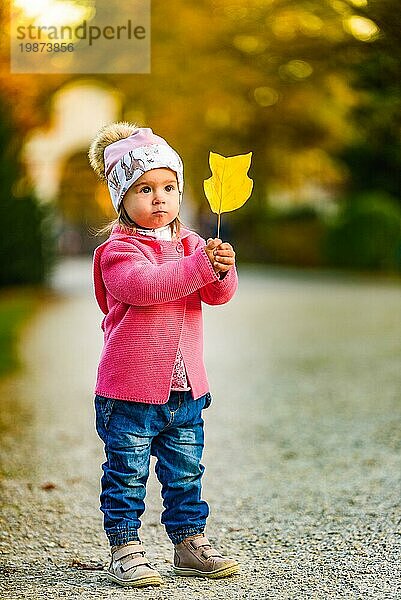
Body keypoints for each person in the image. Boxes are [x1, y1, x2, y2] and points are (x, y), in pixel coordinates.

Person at [88, 122, 239, 588]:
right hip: (130, 392)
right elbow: (147, 288)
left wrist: (221, 270)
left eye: (169, 187)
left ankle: (188, 544)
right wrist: (198, 267)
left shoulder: (195, 243)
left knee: (185, 473)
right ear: (121, 199)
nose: (160, 198)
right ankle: (126, 547)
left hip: (186, 391)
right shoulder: (117, 251)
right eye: (145, 189)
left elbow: (217, 296)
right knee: (127, 474)